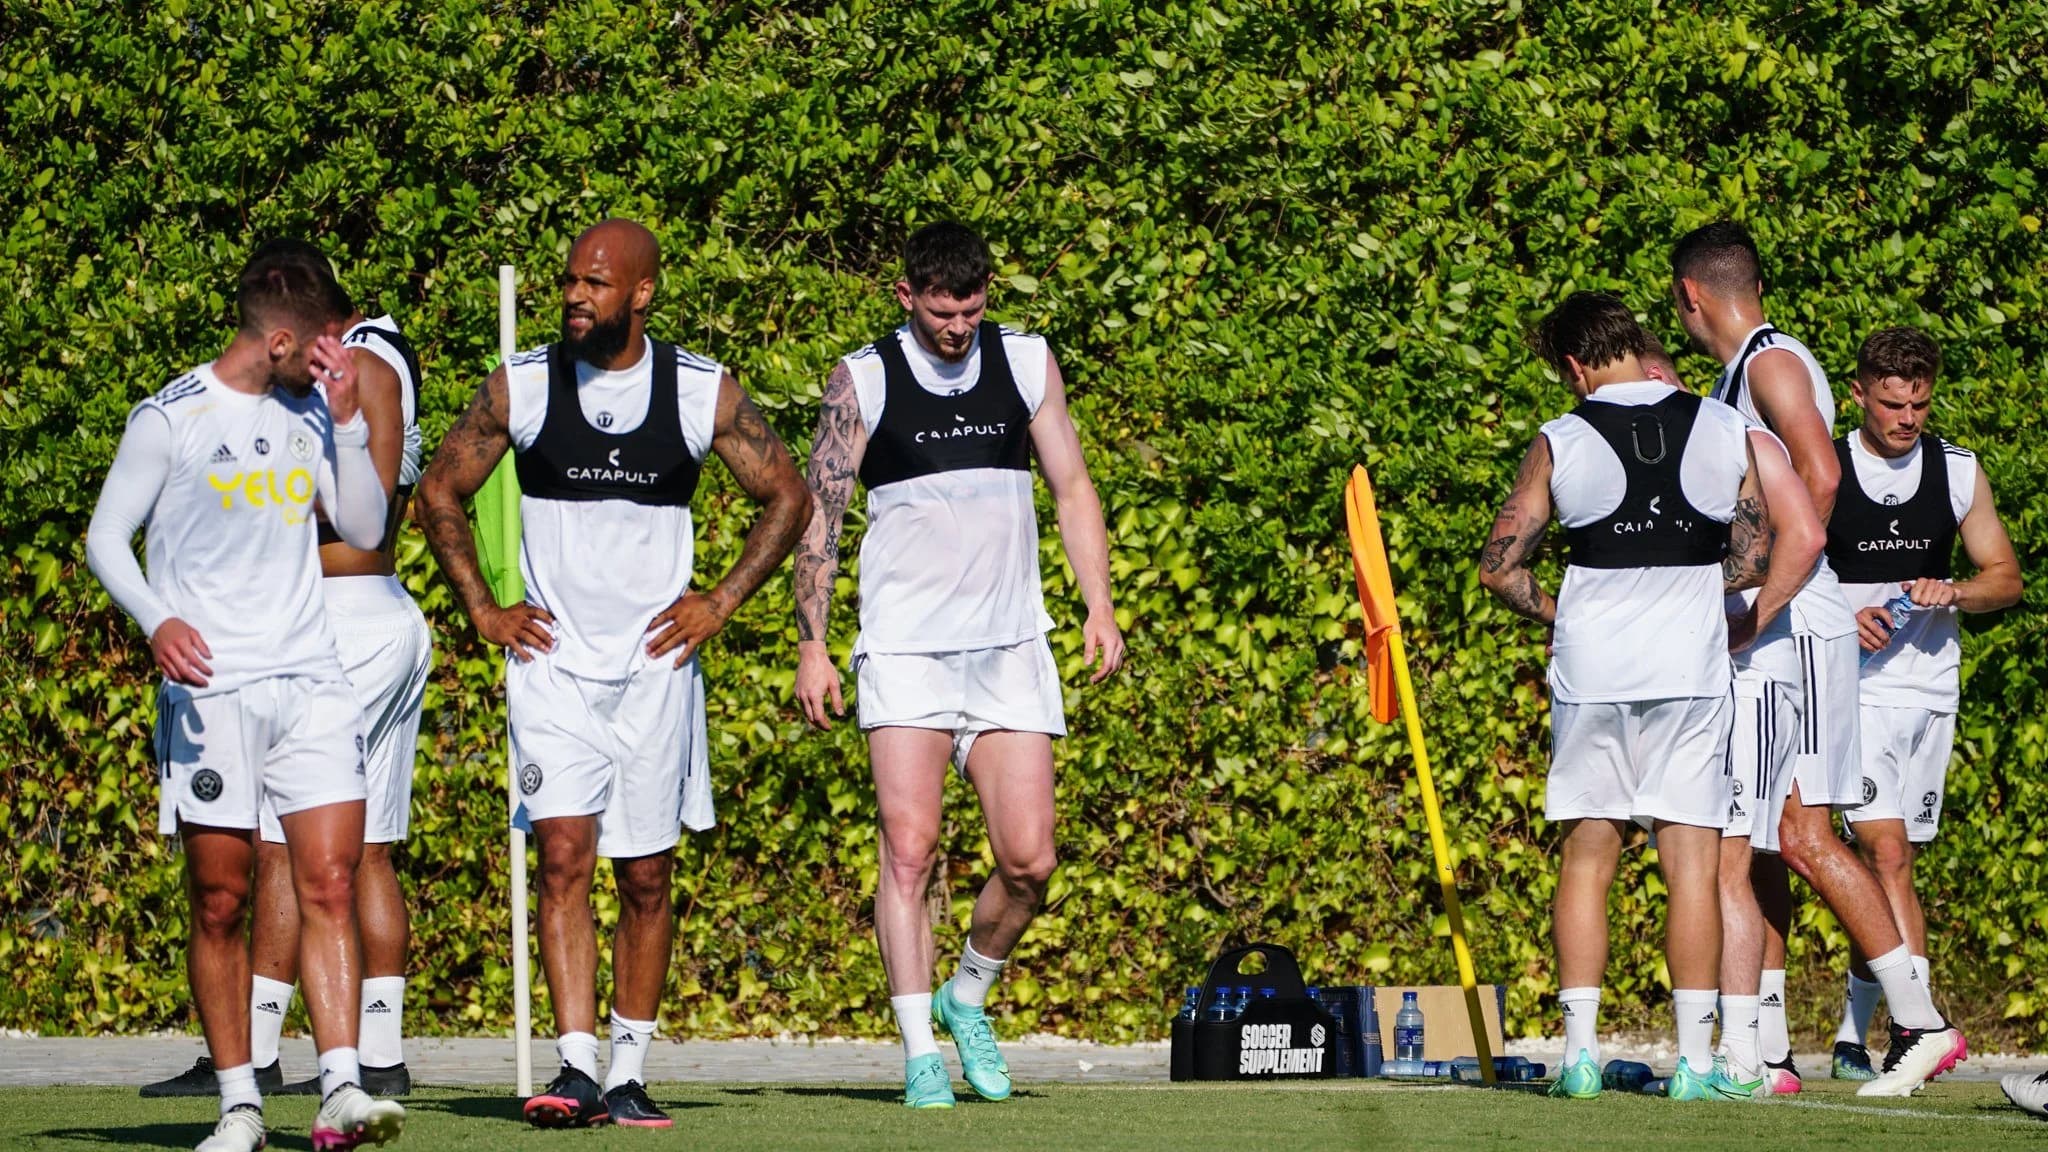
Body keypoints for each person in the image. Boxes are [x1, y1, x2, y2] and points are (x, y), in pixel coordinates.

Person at [415, 219, 811, 1130]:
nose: (574, 297)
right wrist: (482, 606)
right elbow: (440, 489)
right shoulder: (522, 386)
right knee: (562, 858)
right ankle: (576, 1067)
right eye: (569, 281)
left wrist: (721, 600)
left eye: (595, 284)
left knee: (645, 876)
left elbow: (787, 495)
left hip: (656, 672)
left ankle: (630, 1071)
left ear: (641, 294)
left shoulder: (699, 390)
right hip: (551, 668)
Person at [792, 222, 1125, 1109]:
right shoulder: (863, 378)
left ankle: (967, 993)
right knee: (910, 849)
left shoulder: (1024, 362)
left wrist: (1098, 603)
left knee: (1031, 862)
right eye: (942, 310)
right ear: (907, 297)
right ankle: (916, 1054)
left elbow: (1072, 486)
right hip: (904, 650)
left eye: (972, 308)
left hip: (1010, 645)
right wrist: (813, 643)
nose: (957, 327)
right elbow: (820, 515)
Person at [86, 239, 406, 1151]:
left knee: (331, 880)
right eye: (323, 347)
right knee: (221, 898)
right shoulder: (171, 418)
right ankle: (239, 1105)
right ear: (277, 340)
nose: (335, 359)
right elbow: (108, 537)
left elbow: (364, 525)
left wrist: (347, 421)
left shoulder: (315, 413)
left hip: (312, 678)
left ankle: (342, 1088)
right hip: (213, 689)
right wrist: (156, 620)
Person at [1672, 221, 1963, 1096]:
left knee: (1771, 837)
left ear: (1690, 296)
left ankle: (1905, 1027)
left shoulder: (1770, 361)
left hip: (1795, 632)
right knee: (1773, 841)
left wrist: (1759, 603)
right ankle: (1773, 1051)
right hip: (1798, 627)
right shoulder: (1738, 375)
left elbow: (1819, 478)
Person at [141, 291, 433, 1102]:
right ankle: (377, 1054)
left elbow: (339, 517)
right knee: (361, 850)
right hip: (388, 618)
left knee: (282, 848)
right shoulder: (381, 366)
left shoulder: (347, 373)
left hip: (330, 625)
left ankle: (257, 1052)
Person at [1479, 291, 1768, 1101]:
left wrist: (1557, 607)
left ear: (1574, 366)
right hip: (1689, 667)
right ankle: (1699, 1067)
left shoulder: (1559, 439)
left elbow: (1500, 567)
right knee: (1691, 863)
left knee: (1589, 853)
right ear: (1638, 345)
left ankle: (1577, 1059)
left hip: (1594, 666)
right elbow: (1750, 560)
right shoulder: (1720, 424)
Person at [1829, 327, 2021, 1072]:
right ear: (1859, 394)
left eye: (1920, 404)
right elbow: (1786, 566)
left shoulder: (1958, 470)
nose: (1907, 419)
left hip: (1928, 687)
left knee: (1893, 863)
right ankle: (1923, 1030)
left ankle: (1855, 1033)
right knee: (1886, 852)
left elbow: (2004, 576)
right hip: (1852, 685)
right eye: (1891, 404)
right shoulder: (1825, 465)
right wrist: (1842, 617)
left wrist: (1957, 590)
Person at [1649, 332, 1828, 1097]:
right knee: (1723, 862)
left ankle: (1751, 1060)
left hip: (1753, 679)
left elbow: (1809, 528)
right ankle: (1747, 1055)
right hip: (1724, 679)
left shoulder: (1737, 435)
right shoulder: (1686, 449)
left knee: (1728, 866)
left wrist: (1752, 618)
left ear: (1658, 376)